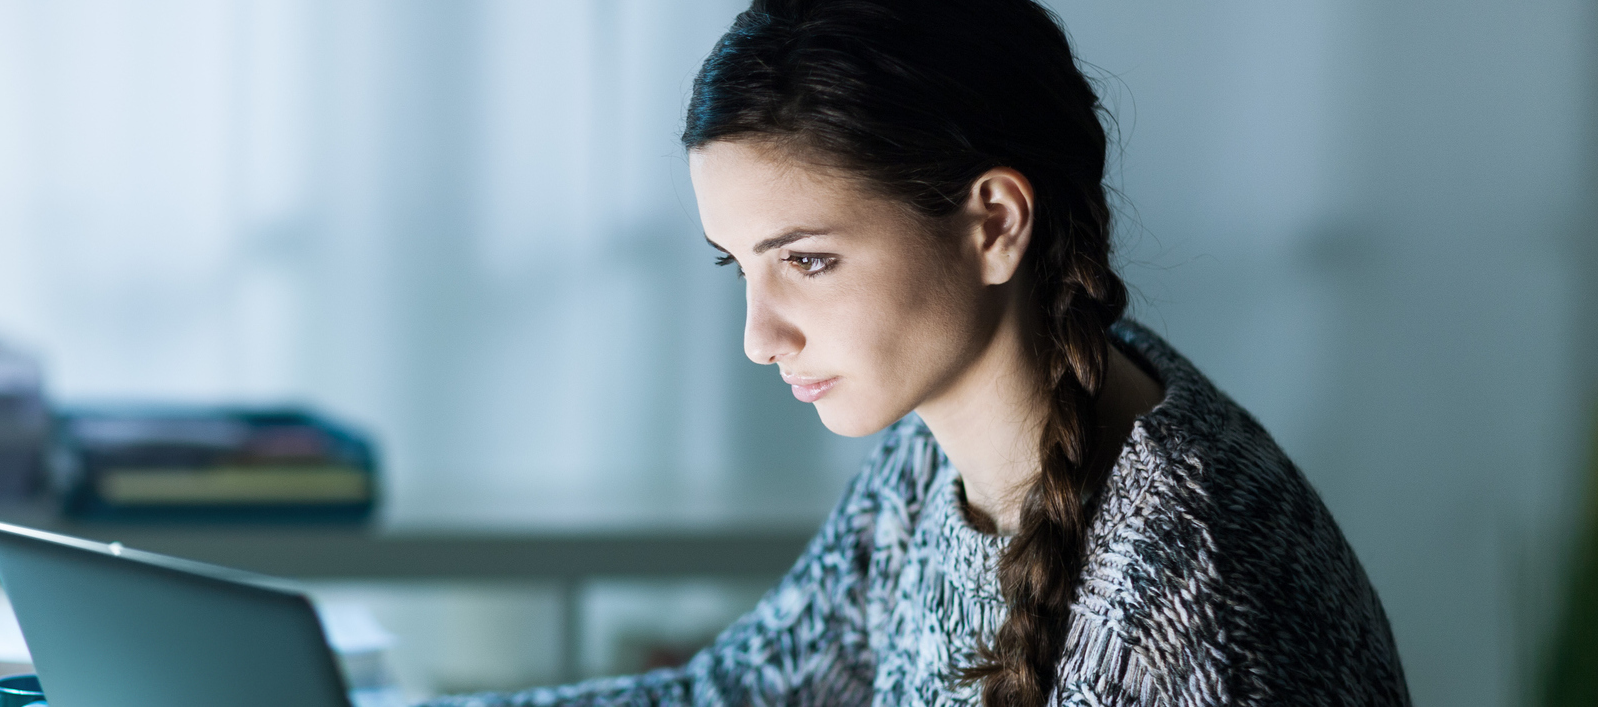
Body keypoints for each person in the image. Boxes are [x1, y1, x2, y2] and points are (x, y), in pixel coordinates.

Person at [424, 0, 1410, 705]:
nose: (760, 339)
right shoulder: (953, 431)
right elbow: (748, 687)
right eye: (741, 268)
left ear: (993, 223)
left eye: (807, 261)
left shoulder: (1177, 617)